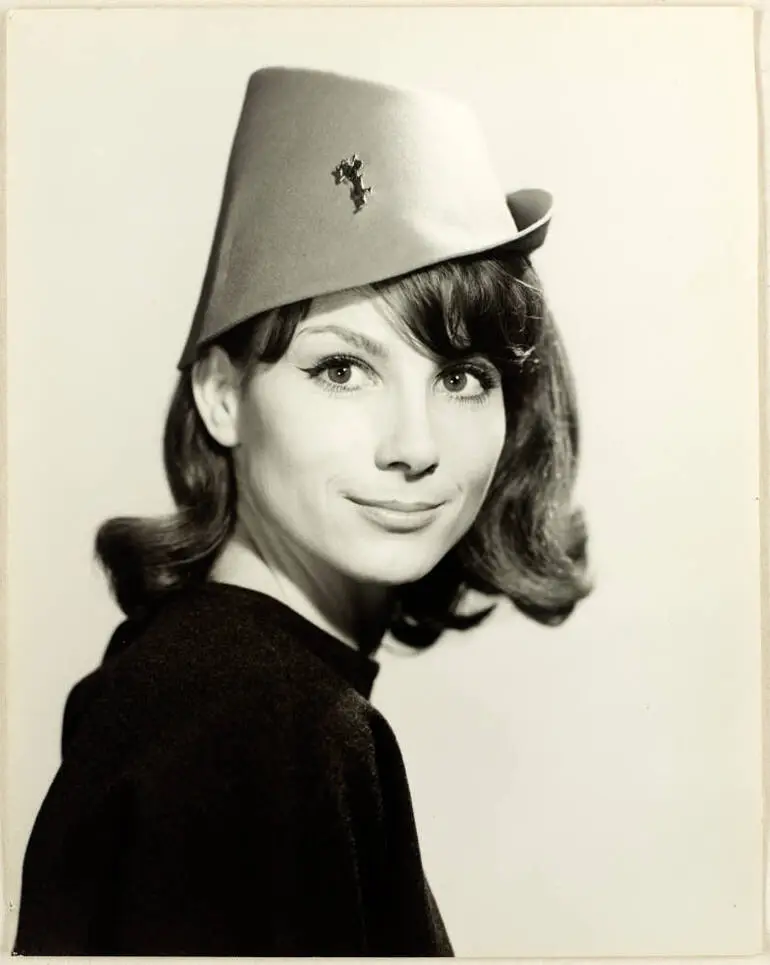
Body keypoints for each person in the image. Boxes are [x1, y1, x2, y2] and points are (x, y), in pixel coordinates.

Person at [13, 66, 592, 956]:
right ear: (222, 395)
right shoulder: (261, 720)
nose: (414, 443)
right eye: (342, 369)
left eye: (462, 376)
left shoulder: (203, 683)